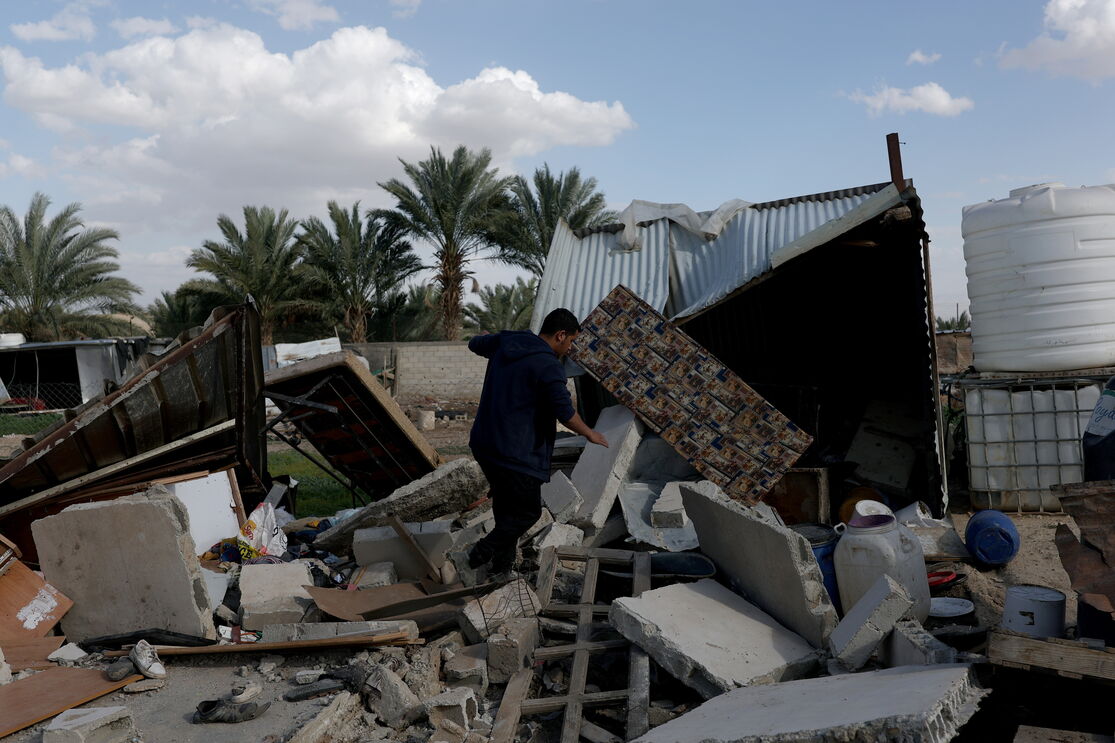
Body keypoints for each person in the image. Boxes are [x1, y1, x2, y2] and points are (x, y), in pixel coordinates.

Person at [466, 307, 608, 574]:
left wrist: (483, 336)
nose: (570, 348)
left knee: (506, 508)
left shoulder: (507, 341)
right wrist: (590, 433)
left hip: (485, 445)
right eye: (571, 341)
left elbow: (475, 343)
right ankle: (479, 553)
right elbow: (564, 412)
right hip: (517, 454)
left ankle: (501, 569)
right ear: (560, 335)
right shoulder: (548, 366)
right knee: (526, 514)